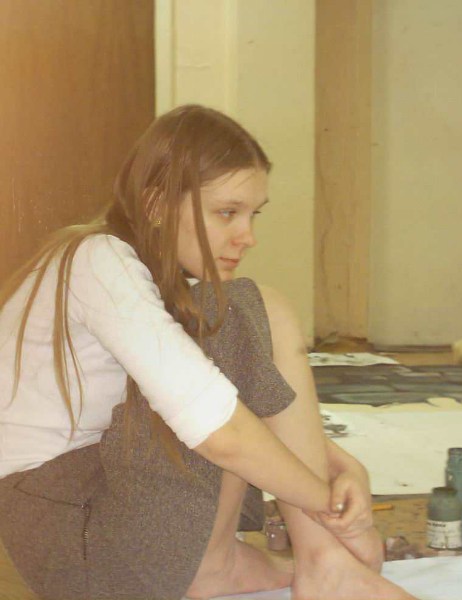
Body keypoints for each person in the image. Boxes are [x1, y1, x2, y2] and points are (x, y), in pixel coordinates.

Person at [0, 105, 416, 600]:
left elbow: (237, 405)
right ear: (157, 205)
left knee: (233, 325)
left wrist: (340, 465)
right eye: (226, 213)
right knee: (244, 311)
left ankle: (232, 563)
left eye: (253, 214)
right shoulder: (97, 260)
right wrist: (331, 512)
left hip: (87, 516)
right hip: (75, 536)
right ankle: (320, 562)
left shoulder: (132, 270)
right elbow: (221, 431)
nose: (248, 236)